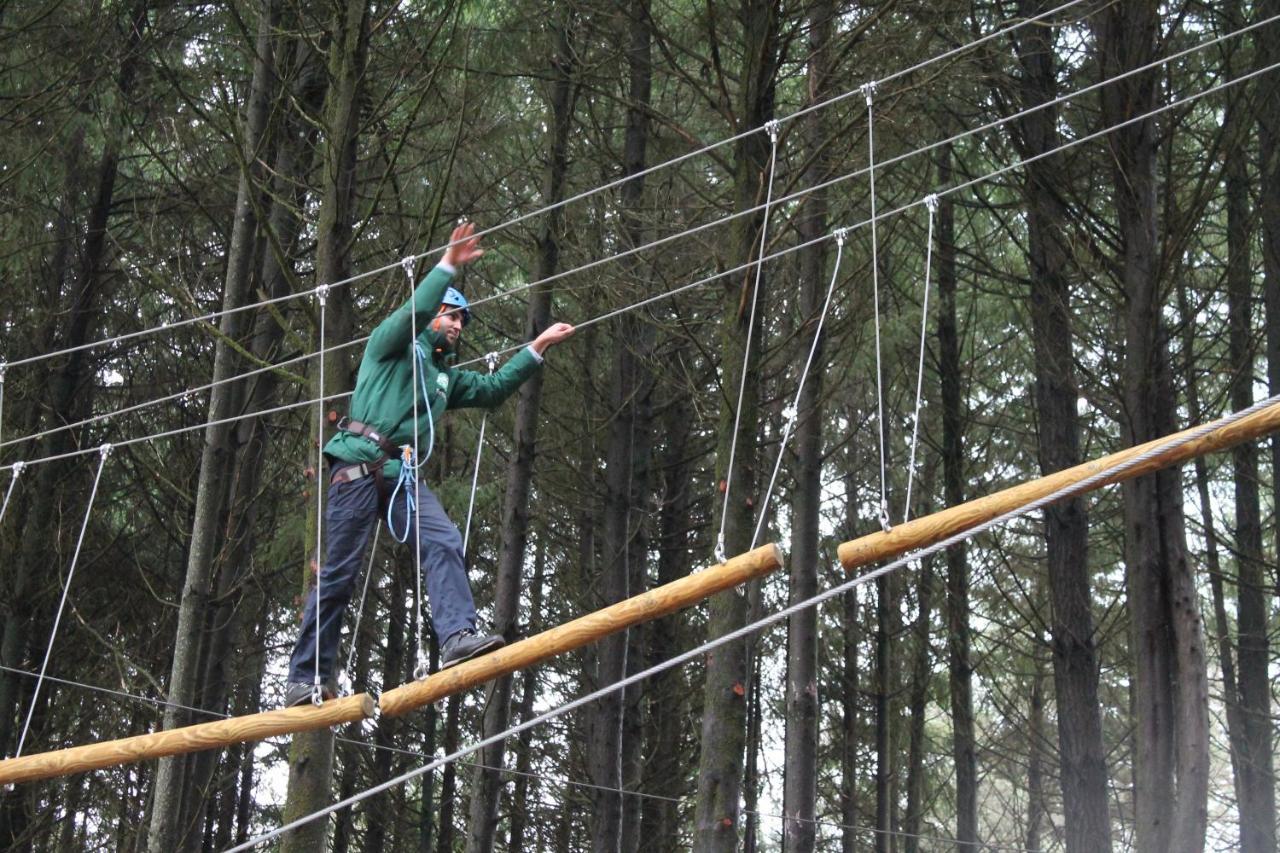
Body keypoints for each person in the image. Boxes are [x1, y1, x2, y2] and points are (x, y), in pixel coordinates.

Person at [283, 222, 575, 708]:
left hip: (400, 479)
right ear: (431, 319)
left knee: (443, 539)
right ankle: (304, 679)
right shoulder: (392, 345)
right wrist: (446, 266)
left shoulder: (444, 378)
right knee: (338, 575)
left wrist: (536, 348)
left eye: (464, 321)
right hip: (356, 468)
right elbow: (415, 310)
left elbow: (493, 388)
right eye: (451, 316)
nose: (458, 326)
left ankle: (457, 636)